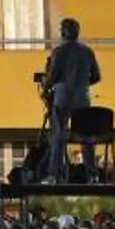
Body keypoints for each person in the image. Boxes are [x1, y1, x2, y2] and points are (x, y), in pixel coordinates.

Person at [42, 17, 101, 182]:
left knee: (58, 138)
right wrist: (82, 83)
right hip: (83, 99)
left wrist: (46, 86)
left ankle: (54, 175)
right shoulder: (88, 52)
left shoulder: (59, 52)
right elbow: (96, 76)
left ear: (63, 33)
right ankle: (92, 175)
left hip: (62, 100)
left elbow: (52, 76)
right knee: (87, 139)